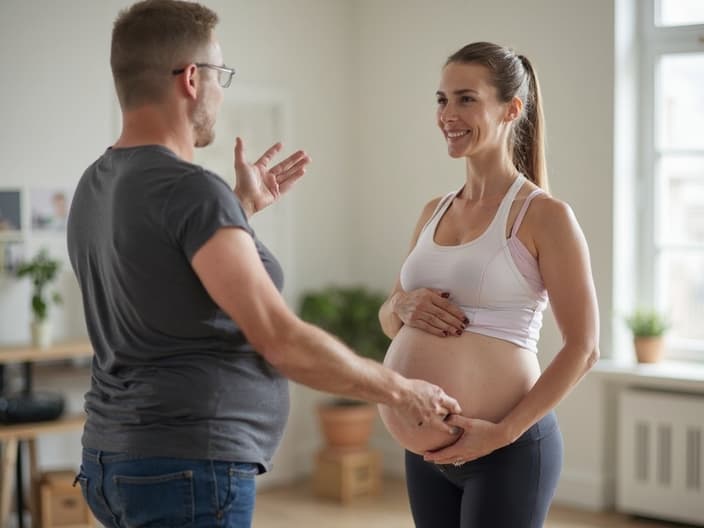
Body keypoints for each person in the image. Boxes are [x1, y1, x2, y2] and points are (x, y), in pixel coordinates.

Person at [66, 2, 461, 527]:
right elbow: (281, 340)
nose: (220, 92)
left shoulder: (94, 185)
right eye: (220, 74)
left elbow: (164, 286)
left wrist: (240, 208)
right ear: (190, 78)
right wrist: (403, 390)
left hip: (111, 460)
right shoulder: (190, 191)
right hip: (187, 468)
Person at [377, 42, 600, 528]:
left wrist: (502, 433)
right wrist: (403, 302)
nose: (447, 114)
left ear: (511, 109)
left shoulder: (545, 216)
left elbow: (583, 348)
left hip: (507, 450)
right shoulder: (433, 210)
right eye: (441, 99)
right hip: (426, 454)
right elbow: (389, 319)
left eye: (465, 99)